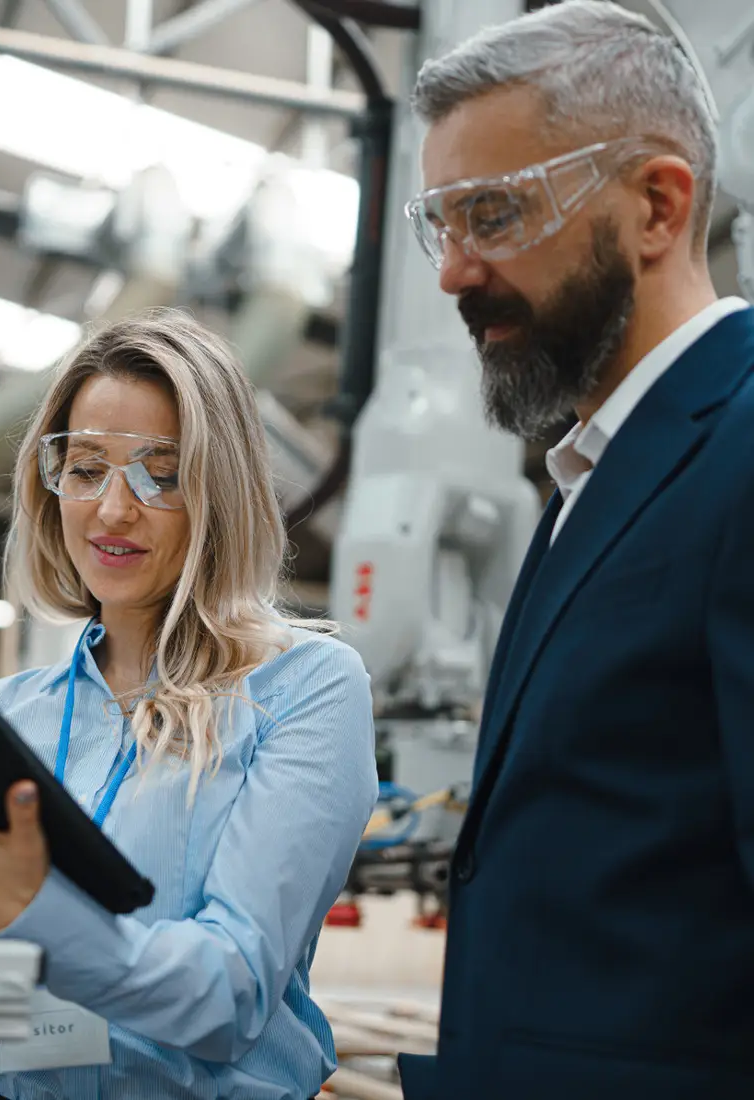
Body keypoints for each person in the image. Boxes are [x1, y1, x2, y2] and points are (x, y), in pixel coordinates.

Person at [0, 309, 379, 1099]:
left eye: (162, 471)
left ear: (224, 487)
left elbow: (228, 997)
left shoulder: (307, 688)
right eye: (85, 469)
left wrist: (21, 910)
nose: (113, 509)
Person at [393, 2, 754, 1098]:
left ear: (655, 205)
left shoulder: (739, 447)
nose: (454, 273)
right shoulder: (587, 483)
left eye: (493, 215)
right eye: (440, 224)